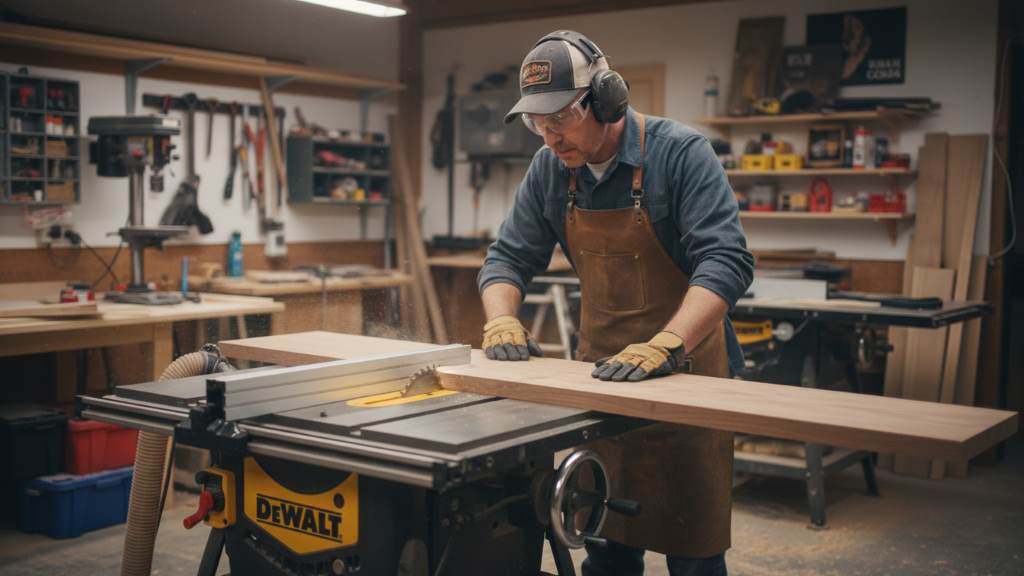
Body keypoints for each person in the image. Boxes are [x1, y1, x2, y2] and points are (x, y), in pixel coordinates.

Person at [477, 30, 754, 576]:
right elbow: (507, 259)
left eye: (560, 116)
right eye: (537, 122)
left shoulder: (681, 154)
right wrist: (502, 320)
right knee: (604, 549)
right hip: (605, 385)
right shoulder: (550, 169)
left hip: (688, 379)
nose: (550, 135)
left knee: (694, 554)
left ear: (607, 99)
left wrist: (668, 344)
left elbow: (726, 262)